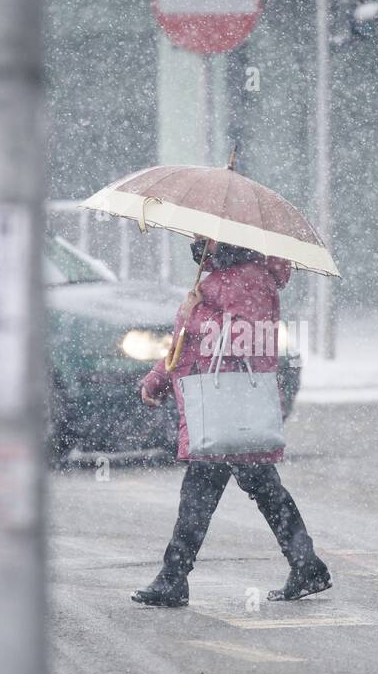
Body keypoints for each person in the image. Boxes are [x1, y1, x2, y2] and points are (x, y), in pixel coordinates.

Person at [132, 236, 330, 608]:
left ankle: (174, 579)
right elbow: (185, 344)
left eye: (201, 237)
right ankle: (306, 566)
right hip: (220, 406)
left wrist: (196, 311)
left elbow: (238, 335)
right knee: (260, 491)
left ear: (221, 240)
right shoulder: (218, 280)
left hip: (229, 407)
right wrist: (157, 379)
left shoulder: (249, 279)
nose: (195, 243)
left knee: (202, 496)